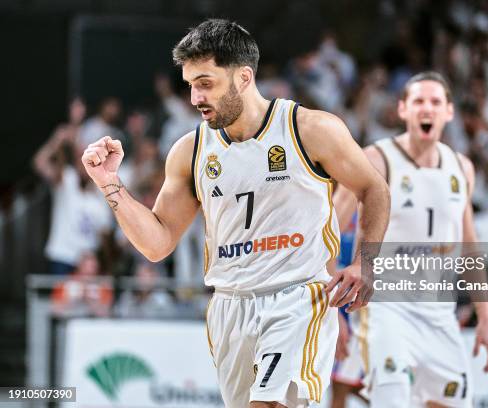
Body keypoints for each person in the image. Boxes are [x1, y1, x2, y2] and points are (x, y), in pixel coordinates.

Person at [81, 19, 390, 408]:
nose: (195, 97)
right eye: (191, 84)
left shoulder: (309, 129)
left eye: (206, 83)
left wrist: (366, 263)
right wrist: (110, 184)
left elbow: (373, 187)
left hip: (297, 298)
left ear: (243, 77)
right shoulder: (189, 151)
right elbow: (157, 243)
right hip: (229, 306)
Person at [332, 71, 488, 407]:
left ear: (448, 112)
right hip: (385, 308)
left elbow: (470, 246)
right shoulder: (375, 158)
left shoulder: (461, 167)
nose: (427, 108)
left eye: (436, 102)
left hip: (439, 312)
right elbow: (329, 225)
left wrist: (486, 316)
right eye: (418, 101)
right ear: (403, 109)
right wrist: (328, 308)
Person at [33, 106, 113, 275]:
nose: (84, 166)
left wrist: (106, 265)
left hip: (89, 262)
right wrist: (57, 140)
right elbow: (39, 163)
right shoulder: (67, 180)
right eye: (81, 162)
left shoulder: (101, 194)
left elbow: (104, 235)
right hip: (63, 256)